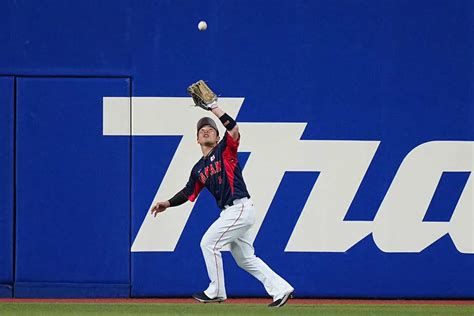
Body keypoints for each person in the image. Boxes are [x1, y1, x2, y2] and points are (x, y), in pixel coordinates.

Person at [151, 90, 294, 308]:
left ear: (218, 137)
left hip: (240, 208)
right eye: (202, 130)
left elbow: (234, 129)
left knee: (208, 243)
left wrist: (214, 107)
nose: (206, 131)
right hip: (231, 212)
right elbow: (188, 192)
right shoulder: (198, 169)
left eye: (211, 130)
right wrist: (167, 203)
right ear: (197, 138)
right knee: (244, 258)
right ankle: (281, 288)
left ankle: (217, 290)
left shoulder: (225, 150)